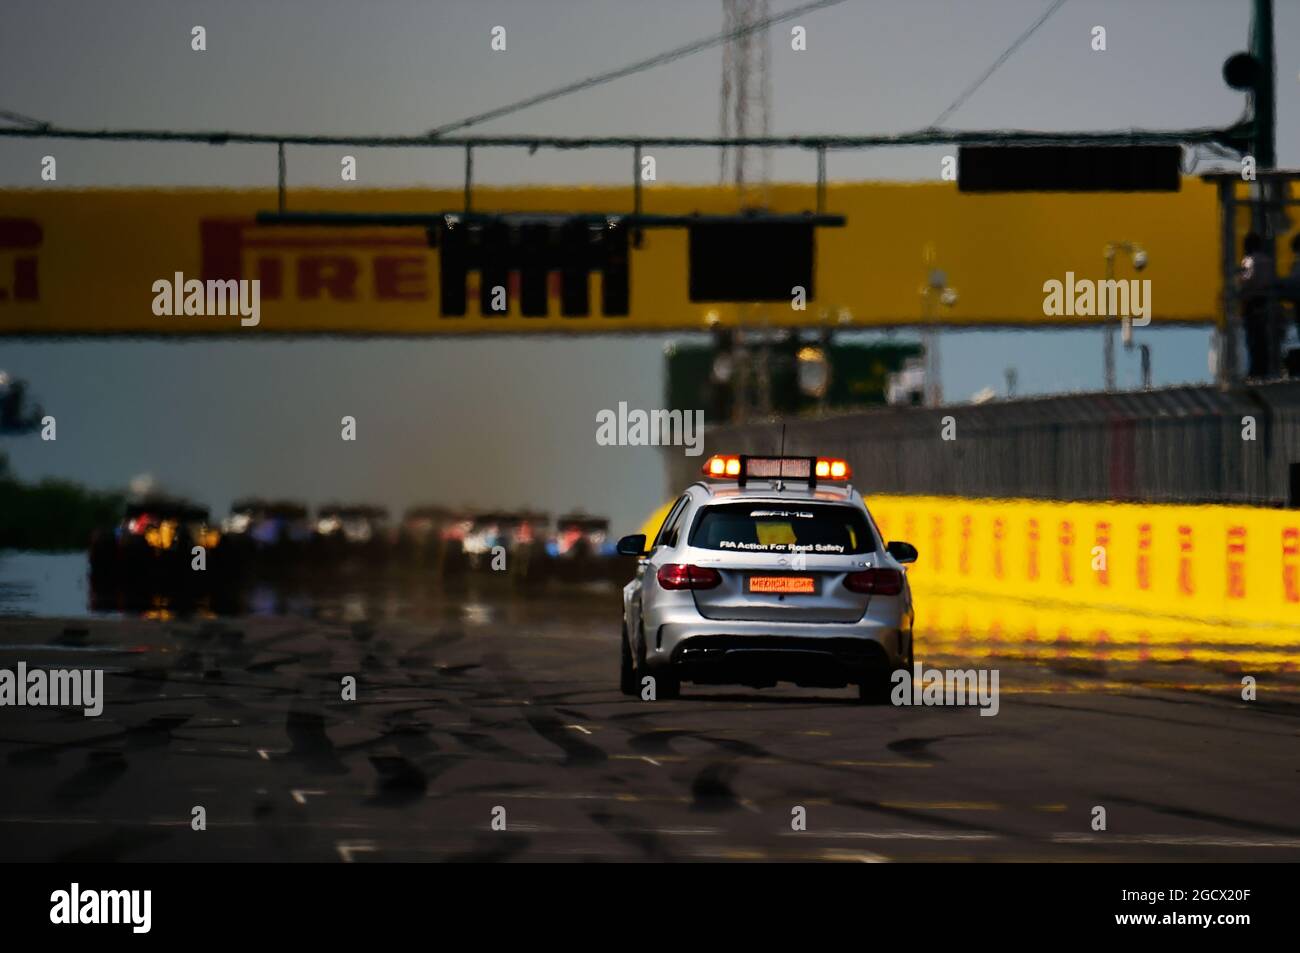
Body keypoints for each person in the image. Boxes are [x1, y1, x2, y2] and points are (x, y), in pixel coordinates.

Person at [1238, 232, 1277, 379]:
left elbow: (1248, 281)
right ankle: (1264, 368)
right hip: (1266, 302)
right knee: (1263, 338)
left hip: (1252, 303)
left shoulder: (1249, 260)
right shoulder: (1268, 261)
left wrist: (1240, 290)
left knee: (1253, 339)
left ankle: (1256, 371)